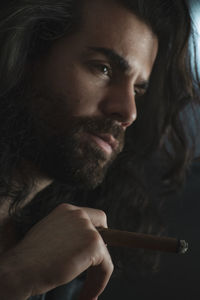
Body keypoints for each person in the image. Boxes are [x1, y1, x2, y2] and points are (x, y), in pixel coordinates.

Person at [0, 0, 198, 299]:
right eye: (103, 68)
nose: (128, 112)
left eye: (137, 90)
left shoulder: (65, 263)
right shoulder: (28, 267)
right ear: (28, 54)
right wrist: (13, 280)